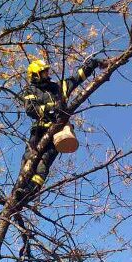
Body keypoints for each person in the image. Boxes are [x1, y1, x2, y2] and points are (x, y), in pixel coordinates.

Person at [18, 56, 106, 198]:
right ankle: (20, 189)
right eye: (43, 72)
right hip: (39, 131)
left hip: (58, 132)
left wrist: (94, 63)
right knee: (29, 160)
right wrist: (51, 108)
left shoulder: (57, 88)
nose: (47, 74)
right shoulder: (30, 90)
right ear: (36, 75)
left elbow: (77, 77)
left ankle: (32, 190)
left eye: (46, 71)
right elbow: (30, 109)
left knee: (44, 161)